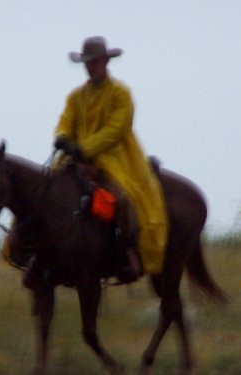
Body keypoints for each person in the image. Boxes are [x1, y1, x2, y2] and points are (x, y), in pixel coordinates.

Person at [53, 36, 169, 278]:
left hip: (116, 159)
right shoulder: (76, 97)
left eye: (94, 62)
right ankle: (39, 255)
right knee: (48, 187)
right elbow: (66, 120)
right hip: (77, 159)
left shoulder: (121, 94)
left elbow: (115, 130)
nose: (90, 66)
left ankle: (128, 253)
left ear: (106, 61)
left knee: (122, 197)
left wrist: (83, 148)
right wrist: (62, 136)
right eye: (87, 62)